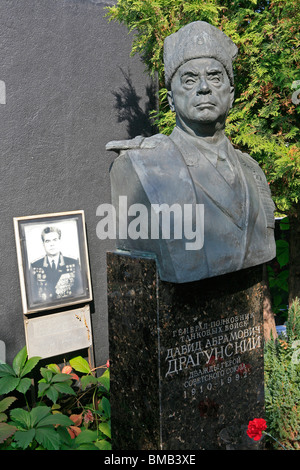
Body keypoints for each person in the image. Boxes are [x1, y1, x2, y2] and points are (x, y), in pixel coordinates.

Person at [106, 21, 276, 283]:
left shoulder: (252, 171)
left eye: (215, 77)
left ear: (231, 95)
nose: (204, 87)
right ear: (172, 100)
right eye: (189, 79)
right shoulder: (143, 166)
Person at [30, 226, 83, 303]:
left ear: (59, 241)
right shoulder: (35, 266)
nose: (52, 244)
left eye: (54, 240)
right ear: (43, 244)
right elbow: (34, 297)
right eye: (47, 241)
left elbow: (79, 291)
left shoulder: (73, 263)